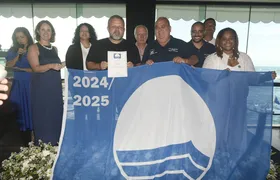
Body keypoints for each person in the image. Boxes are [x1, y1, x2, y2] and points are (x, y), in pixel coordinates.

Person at [27, 20, 64, 145]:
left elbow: (57, 66)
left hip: (55, 88)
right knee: (43, 117)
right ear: (38, 31)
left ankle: (55, 146)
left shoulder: (54, 48)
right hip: (41, 89)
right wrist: (51, 65)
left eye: (48, 30)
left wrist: (67, 62)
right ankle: (42, 148)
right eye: (43, 29)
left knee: (55, 115)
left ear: (52, 32)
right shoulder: (33, 47)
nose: (45, 32)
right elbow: (35, 68)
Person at [5, 27, 34, 144]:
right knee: (20, 109)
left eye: (22, 36)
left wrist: (21, 69)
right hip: (18, 84)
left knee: (32, 108)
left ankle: (35, 136)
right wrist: (17, 55)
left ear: (27, 36)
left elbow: (36, 68)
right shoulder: (13, 50)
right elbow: (8, 65)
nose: (20, 40)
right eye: (17, 38)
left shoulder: (34, 48)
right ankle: (23, 139)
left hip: (31, 82)